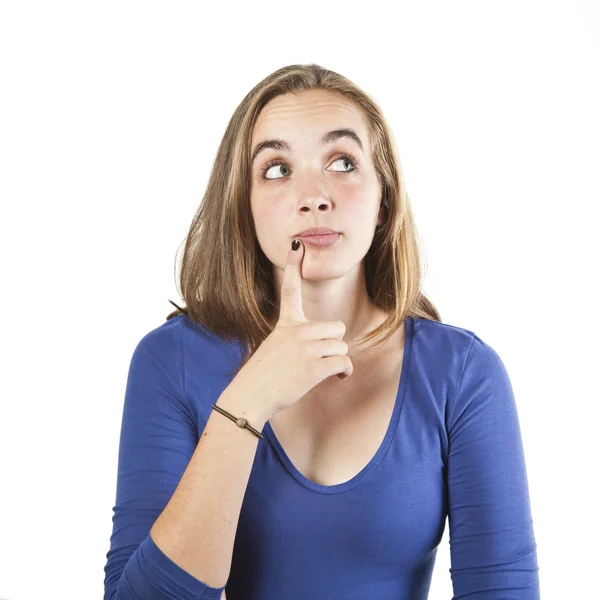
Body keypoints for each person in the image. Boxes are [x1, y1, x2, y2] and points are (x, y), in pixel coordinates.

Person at [103, 63, 540, 599]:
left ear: (384, 200)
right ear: (245, 205)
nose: (313, 195)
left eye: (341, 162)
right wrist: (247, 402)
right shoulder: (170, 361)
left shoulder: (463, 374)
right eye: (277, 169)